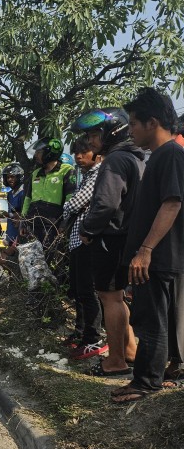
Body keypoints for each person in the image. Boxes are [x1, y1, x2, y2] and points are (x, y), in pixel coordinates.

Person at [109, 88, 184, 403]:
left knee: (149, 320)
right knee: (161, 319)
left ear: (152, 123)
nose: (131, 131)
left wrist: (146, 250)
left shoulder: (169, 154)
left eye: (134, 124)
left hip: (158, 257)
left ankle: (145, 382)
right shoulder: (161, 156)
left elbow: (171, 203)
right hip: (159, 256)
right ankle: (164, 373)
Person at [72, 107, 144, 376]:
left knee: (109, 298)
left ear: (111, 133)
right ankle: (129, 350)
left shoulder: (114, 161)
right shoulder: (135, 157)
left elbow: (105, 204)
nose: (90, 140)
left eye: (93, 134)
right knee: (119, 298)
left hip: (110, 237)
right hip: (127, 237)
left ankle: (115, 361)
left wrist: (88, 230)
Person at [62, 136, 105, 358]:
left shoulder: (98, 173)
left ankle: (93, 338)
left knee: (88, 291)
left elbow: (75, 203)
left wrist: (69, 205)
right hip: (78, 240)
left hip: (87, 240)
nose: (78, 156)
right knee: (79, 291)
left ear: (96, 153)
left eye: (84, 151)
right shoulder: (86, 175)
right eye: (76, 152)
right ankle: (81, 332)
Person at [21, 137, 76, 252]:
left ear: (50, 153)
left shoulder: (66, 170)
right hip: (33, 223)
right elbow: (28, 198)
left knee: (49, 259)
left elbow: (70, 197)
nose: (35, 155)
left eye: (39, 152)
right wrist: (23, 220)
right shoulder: (36, 173)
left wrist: (65, 222)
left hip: (52, 224)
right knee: (31, 260)